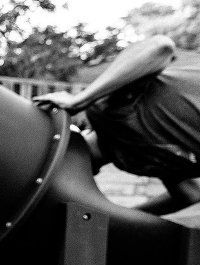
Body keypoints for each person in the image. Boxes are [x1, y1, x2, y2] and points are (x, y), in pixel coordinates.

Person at [33, 35, 200, 215]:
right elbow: (190, 194)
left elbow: (161, 47)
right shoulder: (140, 159)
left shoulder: (107, 112)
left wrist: (78, 101)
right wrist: (121, 217)